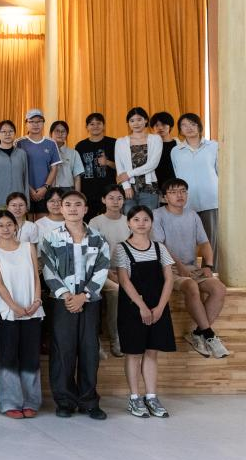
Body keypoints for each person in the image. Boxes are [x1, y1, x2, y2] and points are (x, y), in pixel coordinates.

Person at [39, 190, 111, 420]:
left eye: (77, 204)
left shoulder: (98, 238)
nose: (72, 208)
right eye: (67, 204)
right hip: (62, 302)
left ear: (85, 209)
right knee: (63, 351)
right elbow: (48, 269)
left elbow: (102, 269)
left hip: (90, 302)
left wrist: (84, 296)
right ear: (61, 209)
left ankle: (89, 401)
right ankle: (65, 401)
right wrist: (68, 296)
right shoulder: (50, 238)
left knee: (89, 351)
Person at [151, 178, 229, 358]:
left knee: (219, 289)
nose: (179, 195)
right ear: (164, 197)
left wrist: (208, 265)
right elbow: (160, 246)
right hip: (168, 269)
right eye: (173, 192)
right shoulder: (157, 215)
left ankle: (198, 333)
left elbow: (205, 243)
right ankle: (210, 335)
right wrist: (179, 266)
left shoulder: (192, 215)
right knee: (191, 286)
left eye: (183, 191)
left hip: (192, 267)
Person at [114, 206, 176, 418]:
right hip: (132, 308)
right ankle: (134, 398)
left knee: (152, 352)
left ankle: (151, 396)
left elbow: (169, 279)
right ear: (128, 223)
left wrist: (160, 307)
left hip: (158, 306)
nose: (141, 223)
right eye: (136, 219)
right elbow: (124, 280)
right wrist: (141, 306)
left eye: (146, 219)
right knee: (133, 353)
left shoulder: (160, 248)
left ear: (151, 223)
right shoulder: (122, 248)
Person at [0, 210, 44, 418]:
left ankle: (31, 401)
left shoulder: (28, 247)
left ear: (16, 226)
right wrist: (15, 307)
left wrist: (37, 301)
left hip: (32, 310)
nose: (6, 228)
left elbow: (36, 277)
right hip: (7, 311)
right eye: (0, 225)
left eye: (9, 224)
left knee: (30, 357)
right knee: (8, 357)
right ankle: (10, 402)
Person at [89, 185, 131, 357]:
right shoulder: (95, 222)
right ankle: (97, 340)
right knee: (113, 290)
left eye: (119, 198)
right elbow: (92, 253)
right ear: (103, 200)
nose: (115, 201)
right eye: (111, 198)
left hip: (123, 270)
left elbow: (133, 250)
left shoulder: (129, 221)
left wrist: (122, 273)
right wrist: (107, 272)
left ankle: (117, 338)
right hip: (98, 271)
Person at [171, 112, 218, 257]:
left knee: (211, 239)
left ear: (199, 126)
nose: (189, 128)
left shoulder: (213, 146)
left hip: (211, 200)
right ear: (180, 130)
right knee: (187, 240)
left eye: (193, 124)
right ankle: (190, 269)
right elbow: (178, 176)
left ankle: (211, 268)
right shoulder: (176, 151)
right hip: (187, 202)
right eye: (184, 125)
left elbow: (219, 172)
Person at [115, 107, 163, 212]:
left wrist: (129, 174)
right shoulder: (120, 141)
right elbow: (119, 166)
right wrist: (126, 186)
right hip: (128, 188)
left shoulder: (156, 139)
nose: (136, 123)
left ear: (146, 120)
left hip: (149, 187)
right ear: (128, 123)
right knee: (130, 218)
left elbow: (153, 164)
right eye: (132, 121)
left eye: (139, 119)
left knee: (148, 218)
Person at [16, 109, 62, 219]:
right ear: (26, 123)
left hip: (45, 192)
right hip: (24, 191)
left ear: (43, 123)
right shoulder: (19, 143)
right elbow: (17, 170)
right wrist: (29, 189)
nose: (35, 124)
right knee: (27, 225)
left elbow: (54, 168)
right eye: (32, 121)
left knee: (43, 224)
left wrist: (45, 188)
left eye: (39, 121)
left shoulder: (51, 143)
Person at [75, 113, 117, 219]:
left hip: (109, 193)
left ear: (104, 125)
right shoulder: (80, 146)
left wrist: (107, 162)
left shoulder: (113, 143)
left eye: (98, 123)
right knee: (88, 223)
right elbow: (77, 172)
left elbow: (122, 168)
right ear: (87, 127)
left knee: (109, 222)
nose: (95, 126)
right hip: (87, 193)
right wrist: (78, 193)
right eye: (92, 124)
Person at [0, 120, 30, 216]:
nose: (7, 134)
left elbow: (25, 180)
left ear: (15, 133)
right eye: (3, 131)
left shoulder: (22, 154)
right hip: (0, 204)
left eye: (10, 131)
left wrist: (27, 203)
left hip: (19, 204)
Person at [50, 120, 84, 192]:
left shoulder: (73, 153)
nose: (60, 134)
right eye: (57, 131)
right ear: (50, 134)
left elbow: (77, 177)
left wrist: (77, 195)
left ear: (67, 134)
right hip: (49, 189)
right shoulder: (45, 152)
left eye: (63, 131)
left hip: (68, 190)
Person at [150, 111, 178, 191]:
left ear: (170, 126)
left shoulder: (179, 145)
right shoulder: (150, 146)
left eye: (163, 124)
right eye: (156, 125)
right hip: (155, 186)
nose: (160, 128)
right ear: (152, 128)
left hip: (174, 184)